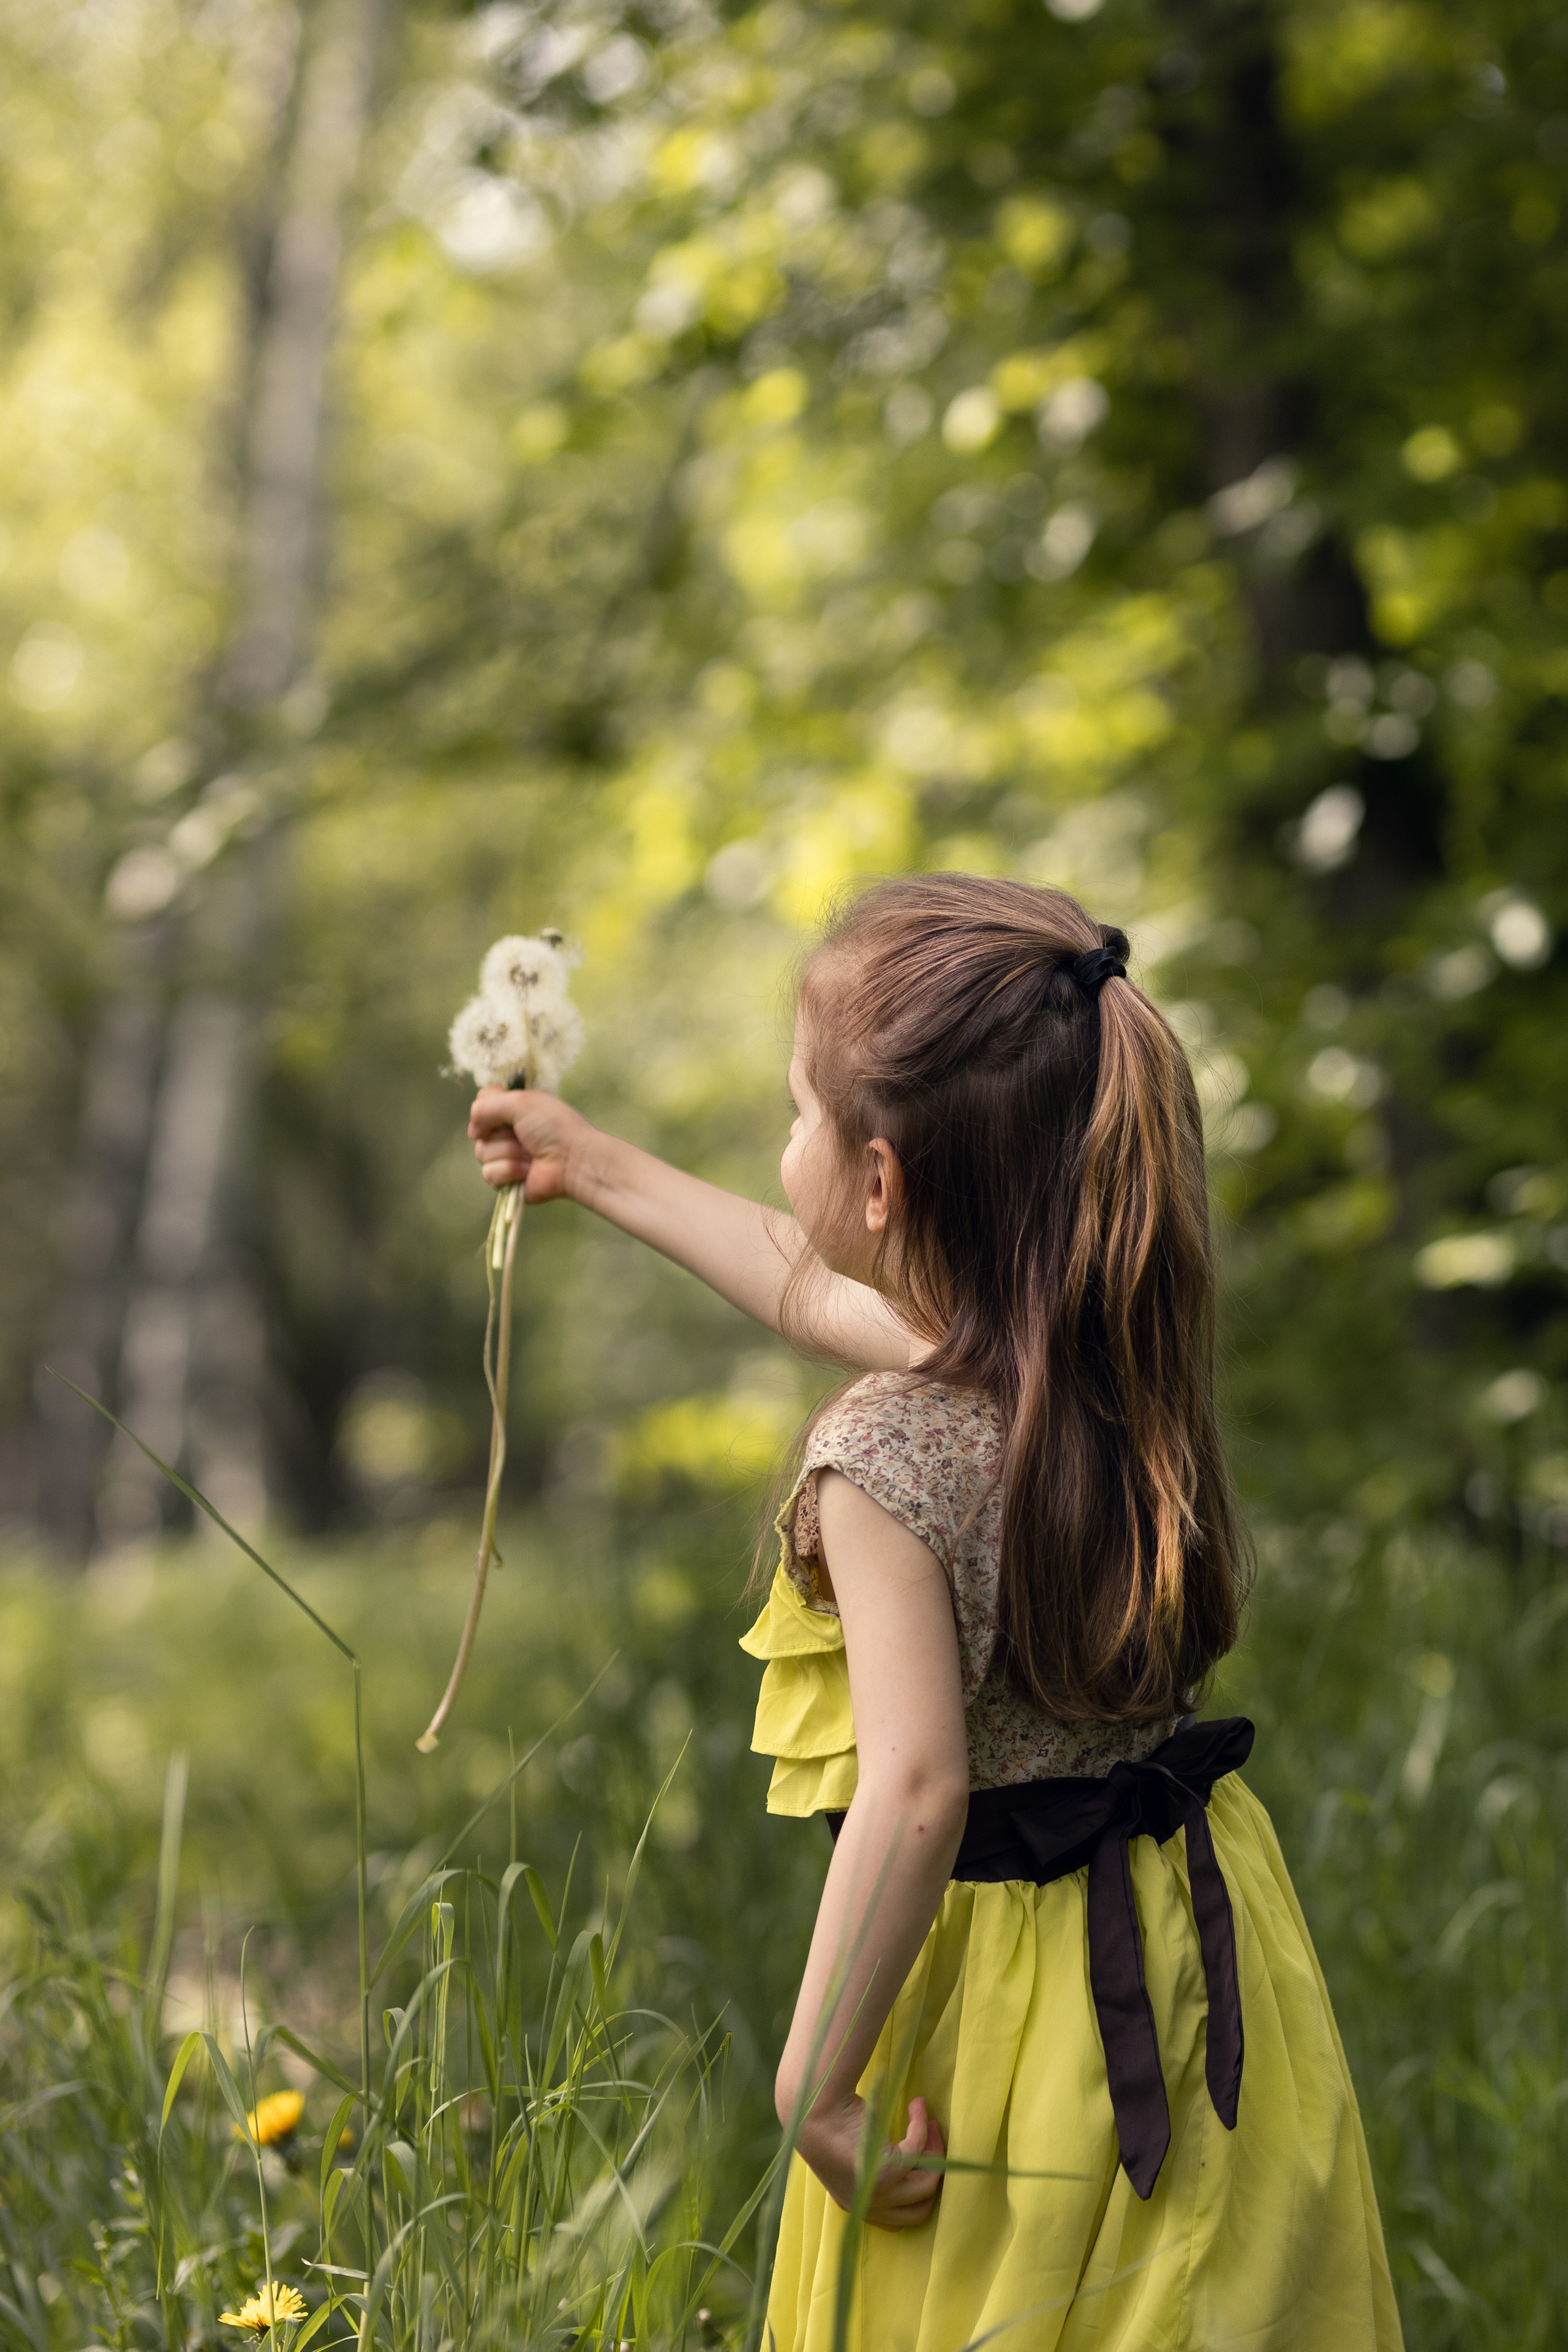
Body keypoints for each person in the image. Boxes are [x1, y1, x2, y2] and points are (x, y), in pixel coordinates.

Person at [469, 875, 1403, 2351]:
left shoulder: (886, 1452)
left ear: (884, 1181)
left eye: (795, 1115)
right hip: (1187, 1950)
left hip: (1002, 2011)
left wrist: (816, 2087)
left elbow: (913, 1791)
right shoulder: (1103, 1354)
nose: (785, 1146)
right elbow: (801, 1289)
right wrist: (594, 1166)